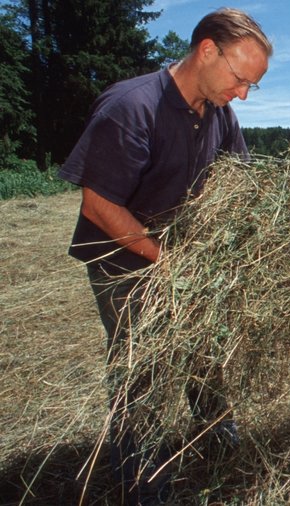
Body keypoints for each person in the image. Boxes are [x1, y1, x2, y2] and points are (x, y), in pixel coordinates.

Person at [58, 8, 272, 505]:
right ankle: (142, 485)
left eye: (252, 87)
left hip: (182, 257)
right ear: (206, 51)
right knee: (143, 371)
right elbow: (99, 204)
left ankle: (216, 435)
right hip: (123, 260)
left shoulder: (219, 112)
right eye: (240, 79)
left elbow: (235, 181)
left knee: (203, 350)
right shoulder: (131, 106)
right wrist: (166, 259)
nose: (242, 93)